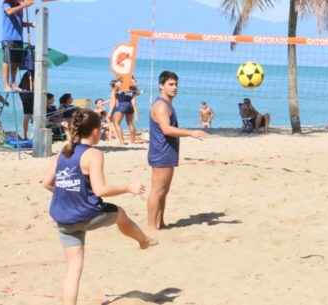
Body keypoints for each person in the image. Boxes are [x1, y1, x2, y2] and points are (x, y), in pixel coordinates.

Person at [41, 109, 156, 305]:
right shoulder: (93, 154)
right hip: (86, 215)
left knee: (74, 268)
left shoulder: (64, 151)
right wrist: (129, 187)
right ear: (94, 131)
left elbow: (46, 183)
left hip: (63, 217)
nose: (102, 131)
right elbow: (101, 190)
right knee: (119, 213)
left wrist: (69, 194)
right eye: (101, 128)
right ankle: (143, 240)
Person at [147, 71, 208, 231]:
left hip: (167, 151)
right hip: (161, 152)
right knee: (157, 190)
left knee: (163, 191)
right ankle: (151, 226)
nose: (175, 87)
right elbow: (166, 130)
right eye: (171, 84)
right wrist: (191, 133)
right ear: (161, 85)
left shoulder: (167, 104)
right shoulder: (161, 105)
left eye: (176, 84)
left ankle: (160, 222)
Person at [1, 0, 33, 91]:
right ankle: (6, 85)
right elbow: (9, 11)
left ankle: (13, 83)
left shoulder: (19, 7)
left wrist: (29, 24)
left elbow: (19, 22)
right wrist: (24, 5)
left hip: (19, 38)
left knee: (16, 63)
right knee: (7, 61)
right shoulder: (6, 4)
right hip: (8, 38)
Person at [109, 78, 141, 145]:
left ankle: (121, 142)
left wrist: (110, 112)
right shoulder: (132, 89)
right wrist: (136, 113)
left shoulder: (117, 89)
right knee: (130, 124)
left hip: (121, 105)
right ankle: (132, 142)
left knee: (116, 123)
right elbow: (134, 102)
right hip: (129, 106)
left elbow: (113, 103)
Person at [17, 70, 33, 139]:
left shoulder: (28, 72)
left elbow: (19, 87)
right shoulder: (31, 72)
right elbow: (31, 81)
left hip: (24, 94)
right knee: (29, 115)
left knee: (27, 115)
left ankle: (26, 135)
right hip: (28, 94)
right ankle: (27, 135)